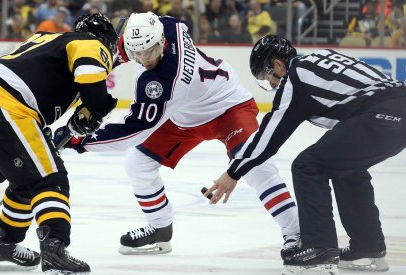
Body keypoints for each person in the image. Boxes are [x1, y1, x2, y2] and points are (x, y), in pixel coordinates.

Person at [55, 12, 300, 259]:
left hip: (227, 106)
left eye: (149, 51)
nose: (143, 59)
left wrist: (79, 140)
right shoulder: (167, 27)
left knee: (257, 167)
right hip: (184, 114)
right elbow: (143, 37)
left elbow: (131, 132)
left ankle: (297, 234)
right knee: (138, 163)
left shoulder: (164, 82)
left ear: (161, 42)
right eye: (137, 52)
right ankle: (160, 227)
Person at [206, 35, 406, 274]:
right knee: (347, 169)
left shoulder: (294, 79)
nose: (273, 86)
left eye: (268, 78)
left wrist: (233, 172)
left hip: (379, 116)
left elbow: (266, 139)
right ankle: (368, 248)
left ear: (278, 65)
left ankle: (319, 249)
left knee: (307, 165)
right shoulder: (321, 57)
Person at [0, 13, 118, 274]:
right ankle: (54, 249)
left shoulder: (47, 39)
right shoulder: (89, 43)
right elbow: (92, 86)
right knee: (50, 179)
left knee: (27, 181)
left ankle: (4, 244)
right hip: (5, 106)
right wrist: (97, 107)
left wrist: (81, 118)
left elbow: (41, 83)